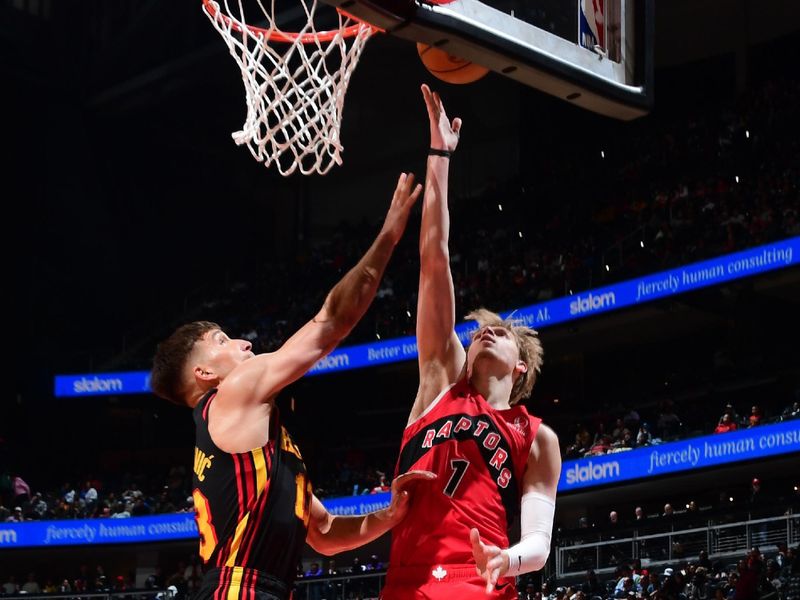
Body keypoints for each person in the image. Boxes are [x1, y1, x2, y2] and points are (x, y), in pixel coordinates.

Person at [150, 173, 435, 600]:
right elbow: (329, 323)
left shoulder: (251, 438)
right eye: (222, 341)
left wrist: (388, 516)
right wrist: (389, 236)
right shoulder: (232, 393)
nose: (243, 341)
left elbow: (322, 531)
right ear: (204, 375)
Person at [380, 85, 561, 599]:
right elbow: (434, 257)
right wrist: (439, 156)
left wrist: (507, 560)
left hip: (480, 581)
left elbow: (539, 543)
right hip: (408, 582)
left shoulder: (537, 438)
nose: (486, 330)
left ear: (520, 367)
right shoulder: (439, 381)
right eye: (480, 326)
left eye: (500, 331)